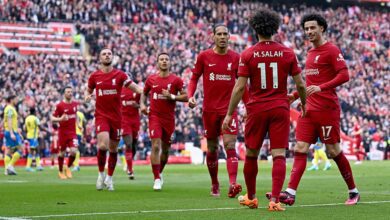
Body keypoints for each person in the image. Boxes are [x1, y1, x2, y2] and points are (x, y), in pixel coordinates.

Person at [266, 13, 360, 206]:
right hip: (308, 109)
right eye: (306, 29)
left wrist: (321, 87)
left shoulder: (332, 50)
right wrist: (295, 96)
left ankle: (353, 191)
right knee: (300, 148)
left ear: (322, 28)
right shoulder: (310, 53)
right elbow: (310, 83)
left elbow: (345, 75)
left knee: (333, 151)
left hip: (327, 109)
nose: (309, 32)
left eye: (312, 28)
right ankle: (290, 193)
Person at [222, 8, 306, 211]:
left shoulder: (248, 53)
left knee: (251, 154)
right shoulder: (287, 52)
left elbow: (240, 87)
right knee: (279, 155)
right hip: (280, 108)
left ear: (255, 28)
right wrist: (303, 102)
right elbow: (301, 85)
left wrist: (229, 114)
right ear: (275, 29)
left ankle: (251, 197)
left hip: (256, 109)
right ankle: (275, 200)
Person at [188, 24, 246, 198]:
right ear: (213, 36)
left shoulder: (236, 58)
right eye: (219, 34)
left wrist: (248, 106)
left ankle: (233, 183)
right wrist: (190, 95)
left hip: (229, 110)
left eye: (225, 34)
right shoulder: (204, 56)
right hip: (209, 111)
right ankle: (215, 184)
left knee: (229, 145)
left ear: (229, 37)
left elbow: (243, 85)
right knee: (212, 148)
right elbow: (194, 78)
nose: (222, 37)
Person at [85, 48, 142, 191]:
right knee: (103, 146)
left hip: (117, 118)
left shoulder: (120, 75)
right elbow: (89, 89)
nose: (107, 55)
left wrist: (149, 90)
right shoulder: (94, 76)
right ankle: (100, 174)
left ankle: (109, 178)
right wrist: (87, 96)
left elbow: (136, 88)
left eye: (109, 54)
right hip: (101, 116)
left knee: (113, 149)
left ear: (113, 57)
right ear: (100, 58)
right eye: (104, 54)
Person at [140, 52, 188, 191]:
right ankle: (156, 179)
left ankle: (159, 172)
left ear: (170, 62)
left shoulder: (176, 80)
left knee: (166, 151)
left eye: (167, 59)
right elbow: (144, 93)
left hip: (169, 119)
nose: (164, 61)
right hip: (154, 116)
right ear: (157, 62)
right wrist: (142, 105)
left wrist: (172, 96)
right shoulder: (151, 79)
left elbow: (186, 96)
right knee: (155, 146)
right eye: (162, 59)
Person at [51, 86, 79, 179]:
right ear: (64, 93)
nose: (70, 93)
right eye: (68, 92)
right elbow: (52, 118)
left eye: (71, 92)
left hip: (72, 133)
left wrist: (78, 124)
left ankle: (67, 167)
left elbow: (76, 115)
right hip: (62, 133)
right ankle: (60, 172)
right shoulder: (59, 106)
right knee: (61, 153)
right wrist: (60, 119)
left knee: (74, 151)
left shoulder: (75, 104)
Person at [120, 86, 141, 179]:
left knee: (134, 145)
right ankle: (130, 170)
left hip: (135, 121)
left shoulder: (137, 90)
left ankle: (129, 162)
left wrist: (139, 105)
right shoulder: (118, 90)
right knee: (129, 144)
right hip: (124, 121)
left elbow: (143, 102)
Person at [3, 95, 23, 175]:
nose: (16, 100)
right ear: (11, 100)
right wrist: (12, 133)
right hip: (11, 132)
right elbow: (9, 120)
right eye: (15, 99)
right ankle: (10, 166)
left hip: (9, 131)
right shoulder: (10, 109)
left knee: (9, 150)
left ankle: (6, 170)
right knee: (20, 149)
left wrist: (17, 131)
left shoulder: (8, 108)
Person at [24, 107, 43, 171]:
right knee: (32, 151)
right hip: (34, 137)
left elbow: (25, 128)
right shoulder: (35, 118)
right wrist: (47, 130)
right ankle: (28, 166)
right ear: (34, 112)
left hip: (29, 136)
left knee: (37, 150)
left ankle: (38, 165)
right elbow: (40, 126)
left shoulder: (27, 118)